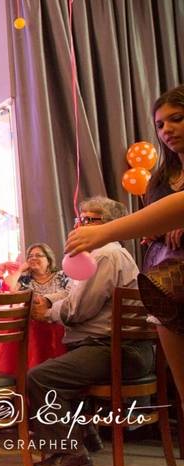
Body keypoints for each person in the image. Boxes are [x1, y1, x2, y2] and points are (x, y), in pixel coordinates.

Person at [66, 86, 184, 409]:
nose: (167, 130)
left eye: (177, 119)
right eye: (160, 124)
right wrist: (156, 232)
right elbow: (156, 220)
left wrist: (105, 233)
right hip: (165, 283)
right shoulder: (160, 179)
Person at [28, 197, 154, 466]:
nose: (79, 226)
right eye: (79, 219)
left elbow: (78, 310)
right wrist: (50, 301)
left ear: (110, 225)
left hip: (119, 351)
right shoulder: (105, 253)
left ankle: (69, 453)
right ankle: (87, 436)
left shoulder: (104, 254)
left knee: (41, 376)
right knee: (63, 363)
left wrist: (47, 313)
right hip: (125, 349)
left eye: (88, 220)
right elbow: (73, 293)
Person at [3, 243, 70, 303]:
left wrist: (47, 301)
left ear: (48, 261)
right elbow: (7, 290)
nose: (33, 258)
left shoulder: (62, 275)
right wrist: (20, 270)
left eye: (38, 255)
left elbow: (71, 294)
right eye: (30, 256)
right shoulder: (24, 279)